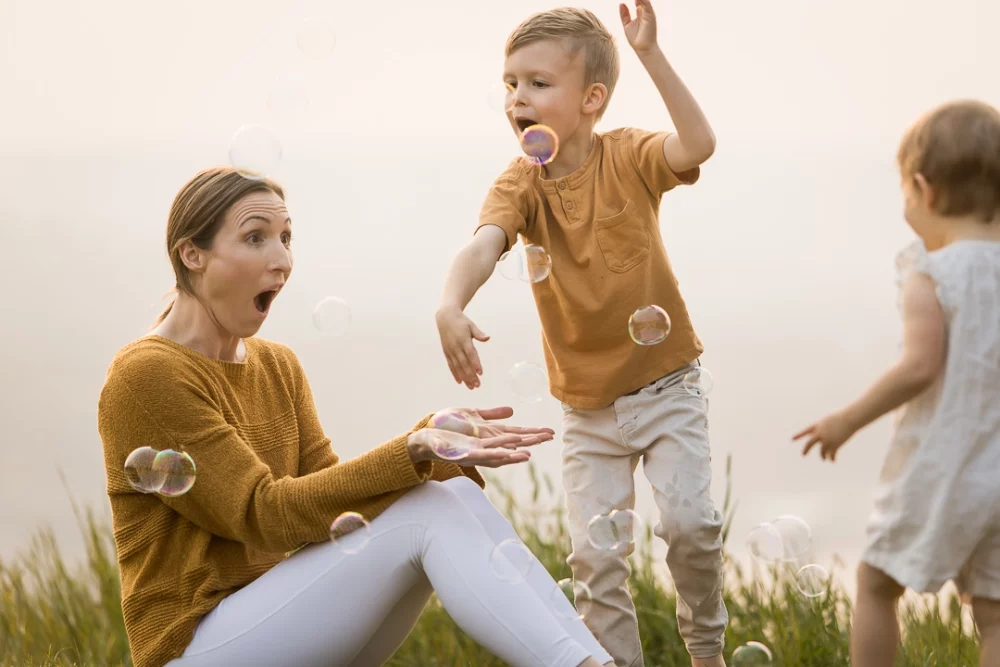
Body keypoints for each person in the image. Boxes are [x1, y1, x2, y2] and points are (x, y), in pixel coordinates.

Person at [97, 166, 616, 667]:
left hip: (276, 623)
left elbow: (329, 500)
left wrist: (433, 438)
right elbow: (266, 515)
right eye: (255, 238)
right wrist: (414, 449)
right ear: (192, 254)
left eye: (286, 237)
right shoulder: (148, 375)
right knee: (428, 511)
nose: (281, 259)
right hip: (192, 646)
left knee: (447, 494)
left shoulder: (277, 365)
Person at [434, 3, 726, 666]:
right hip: (588, 410)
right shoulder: (521, 187)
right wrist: (450, 302)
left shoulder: (631, 157)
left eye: (538, 83)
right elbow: (483, 245)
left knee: (691, 527)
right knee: (595, 558)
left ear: (591, 99)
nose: (518, 97)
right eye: (511, 83)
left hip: (668, 384)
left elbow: (699, 145)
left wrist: (650, 56)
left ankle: (707, 650)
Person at [793, 99, 1000, 667]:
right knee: (996, 613)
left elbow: (919, 367)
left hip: (946, 463)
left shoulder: (930, 269)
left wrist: (847, 420)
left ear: (924, 190)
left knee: (876, 583)